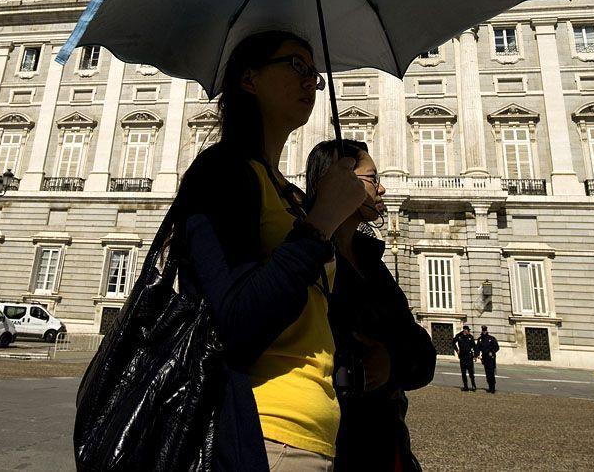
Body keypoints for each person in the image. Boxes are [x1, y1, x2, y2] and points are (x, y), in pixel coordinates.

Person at [172, 30, 369, 471]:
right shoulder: (222, 172)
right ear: (249, 79)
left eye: (314, 73)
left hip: (313, 433)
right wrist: (319, 224)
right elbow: (237, 321)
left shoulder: (289, 194)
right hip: (263, 428)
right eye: (295, 65)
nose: (310, 81)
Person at [303, 138, 436, 471]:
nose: (383, 189)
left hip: (384, 437)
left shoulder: (371, 259)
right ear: (338, 179)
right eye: (372, 178)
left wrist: (390, 362)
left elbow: (421, 350)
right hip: (333, 440)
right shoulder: (307, 255)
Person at [453, 325, 478, 391]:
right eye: (468, 330)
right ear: (464, 330)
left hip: (469, 357)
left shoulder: (470, 337)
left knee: (471, 373)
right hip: (462, 357)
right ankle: (465, 386)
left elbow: (474, 346)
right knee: (463, 373)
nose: (469, 331)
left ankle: (473, 385)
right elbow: (453, 342)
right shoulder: (459, 336)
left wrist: (475, 355)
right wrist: (457, 350)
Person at [476, 326, 499, 394]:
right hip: (485, 358)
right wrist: (477, 355)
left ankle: (493, 388)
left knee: (491, 373)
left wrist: (492, 352)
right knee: (487, 374)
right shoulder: (480, 339)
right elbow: (478, 348)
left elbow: (497, 347)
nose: (484, 332)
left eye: (485, 331)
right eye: (483, 331)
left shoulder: (491, 338)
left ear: (486, 331)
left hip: (491, 359)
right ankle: (489, 387)